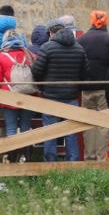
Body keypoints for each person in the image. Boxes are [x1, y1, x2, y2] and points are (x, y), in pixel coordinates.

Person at [32, 22, 88, 162]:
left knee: (50, 130)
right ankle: (73, 162)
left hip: (51, 95)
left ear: (51, 33)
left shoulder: (47, 47)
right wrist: (76, 88)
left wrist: (43, 86)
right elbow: (85, 73)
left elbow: (36, 71)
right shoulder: (79, 48)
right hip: (71, 96)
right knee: (71, 131)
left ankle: (50, 162)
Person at [0, 29, 35, 162]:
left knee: (11, 128)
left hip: (9, 98)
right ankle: (27, 158)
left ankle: (12, 160)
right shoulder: (30, 55)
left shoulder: (0, 57)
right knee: (26, 128)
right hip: (29, 96)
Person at [79, 10, 109, 160]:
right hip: (104, 89)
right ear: (106, 22)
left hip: (86, 88)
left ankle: (89, 156)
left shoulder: (82, 40)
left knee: (88, 124)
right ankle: (102, 158)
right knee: (104, 124)